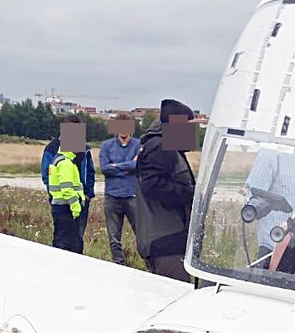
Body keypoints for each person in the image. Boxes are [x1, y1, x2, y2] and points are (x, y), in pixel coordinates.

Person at [134, 99, 197, 281]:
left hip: (169, 239)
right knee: (177, 297)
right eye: (189, 125)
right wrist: (191, 193)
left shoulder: (168, 147)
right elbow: (152, 186)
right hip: (165, 241)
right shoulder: (160, 147)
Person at [240, 148, 295, 265]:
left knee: (263, 281)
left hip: (273, 244)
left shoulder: (269, 152)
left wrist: (247, 195)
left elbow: (255, 196)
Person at [41, 115, 96, 251]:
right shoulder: (53, 148)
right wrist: (55, 193)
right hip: (62, 201)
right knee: (63, 237)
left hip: (81, 198)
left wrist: (88, 193)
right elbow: (46, 174)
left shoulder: (84, 148)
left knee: (77, 236)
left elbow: (90, 171)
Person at [99, 114, 141, 265]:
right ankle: (119, 264)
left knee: (141, 234)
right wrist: (128, 165)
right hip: (112, 196)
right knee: (114, 236)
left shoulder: (138, 145)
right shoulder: (106, 146)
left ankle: (149, 265)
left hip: (132, 195)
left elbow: (138, 166)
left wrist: (116, 166)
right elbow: (104, 168)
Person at [47, 149, 86, 252]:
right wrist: (76, 208)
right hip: (66, 208)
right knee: (68, 243)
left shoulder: (59, 159)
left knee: (61, 238)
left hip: (59, 206)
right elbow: (67, 189)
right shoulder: (65, 163)